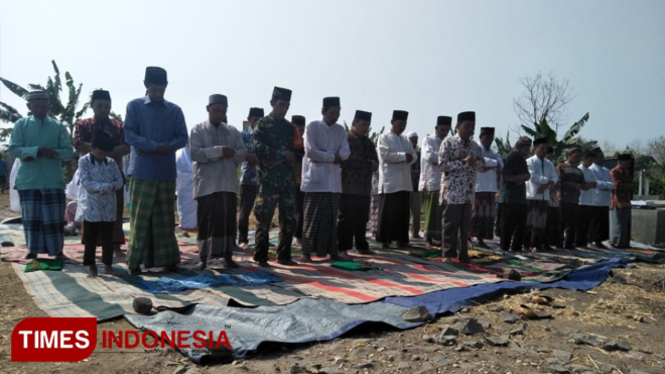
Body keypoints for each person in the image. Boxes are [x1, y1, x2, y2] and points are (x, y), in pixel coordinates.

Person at [124, 66, 188, 274]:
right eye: (155, 90)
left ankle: (168, 260)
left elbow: (182, 137)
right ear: (146, 86)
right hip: (142, 171)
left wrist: (167, 147)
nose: (158, 94)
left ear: (166, 87)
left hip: (166, 171)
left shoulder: (175, 110)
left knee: (165, 219)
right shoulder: (134, 107)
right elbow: (129, 135)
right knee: (141, 220)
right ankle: (135, 263)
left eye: (161, 90)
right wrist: (153, 146)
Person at [8, 90, 74, 259]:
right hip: (29, 179)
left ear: (49, 107)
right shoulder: (21, 125)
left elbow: (68, 151)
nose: (40, 109)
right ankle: (32, 250)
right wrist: (35, 151)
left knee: (54, 219)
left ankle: (57, 251)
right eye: (36, 106)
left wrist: (54, 153)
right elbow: (13, 149)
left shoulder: (58, 126)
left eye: (43, 106)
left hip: (53, 179)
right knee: (31, 219)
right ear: (29, 107)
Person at [190, 94, 247, 270]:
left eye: (223, 111)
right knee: (206, 220)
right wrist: (219, 151)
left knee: (228, 220)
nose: (219, 114)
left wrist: (229, 155)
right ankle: (203, 258)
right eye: (216, 110)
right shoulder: (198, 130)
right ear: (208, 109)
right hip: (207, 184)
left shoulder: (232, 131)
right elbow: (195, 154)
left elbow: (242, 153)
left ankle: (228, 257)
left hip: (228, 183)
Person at [74, 89, 130, 255]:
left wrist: (103, 152)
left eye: (107, 106)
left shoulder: (119, 126)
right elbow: (79, 144)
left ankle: (115, 245)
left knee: (115, 210)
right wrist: (102, 150)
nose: (103, 109)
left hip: (114, 172)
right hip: (89, 174)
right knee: (90, 209)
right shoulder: (82, 124)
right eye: (100, 106)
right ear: (92, 106)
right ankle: (90, 245)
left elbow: (126, 146)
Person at [252, 87, 304, 267]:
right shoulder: (262, 125)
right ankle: (261, 257)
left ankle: (284, 255)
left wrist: (285, 158)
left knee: (289, 219)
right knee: (264, 218)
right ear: (272, 103)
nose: (284, 109)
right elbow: (259, 149)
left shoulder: (291, 129)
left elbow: (299, 152)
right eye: (281, 105)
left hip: (287, 181)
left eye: (287, 106)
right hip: (268, 181)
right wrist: (283, 155)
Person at [301, 97, 350, 262]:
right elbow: (310, 151)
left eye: (337, 113)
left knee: (331, 218)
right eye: (332, 113)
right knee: (312, 218)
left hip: (333, 182)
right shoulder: (312, 127)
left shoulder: (340, 130)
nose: (335, 116)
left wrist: (331, 157)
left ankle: (331, 251)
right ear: (323, 112)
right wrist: (331, 157)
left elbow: (346, 152)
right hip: (316, 182)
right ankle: (306, 253)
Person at [75, 130, 124, 277]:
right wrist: (104, 187)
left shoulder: (112, 163)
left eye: (105, 152)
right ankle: (91, 266)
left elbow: (119, 181)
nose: (102, 154)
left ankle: (108, 264)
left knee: (108, 237)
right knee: (91, 238)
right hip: (91, 205)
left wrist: (110, 187)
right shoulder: (84, 161)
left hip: (108, 206)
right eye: (100, 151)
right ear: (92, 148)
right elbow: (86, 182)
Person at [439, 111, 485, 262]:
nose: (470, 129)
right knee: (451, 224)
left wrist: (474, 163)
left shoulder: (475, 146)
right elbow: (443, 165)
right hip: (453, 191)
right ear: (458, 126)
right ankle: (448, 254)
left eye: (473, 126)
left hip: (468, 191)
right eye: (467, 126)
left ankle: (463, 254)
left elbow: (482, 165)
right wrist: (464, 162)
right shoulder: (448, 143)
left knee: (465, 226)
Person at [338, 110, 378, 256]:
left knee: (362, 218)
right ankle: (342, 248)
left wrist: (374, 165)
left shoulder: (368, 142)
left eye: (368, 125)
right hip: (347, 186)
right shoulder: (346, 139)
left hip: (364, 187)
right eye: (363, 125)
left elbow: (375, 161)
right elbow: (348, 159)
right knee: (346, 218)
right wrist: (369, 164)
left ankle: (362, 246)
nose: (366, 128)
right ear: (354, 123)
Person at [376, 110, 418, 249]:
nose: (402, 126)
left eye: (404, 124)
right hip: (391, 183)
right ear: (392, 122)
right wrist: (402, 156)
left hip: (405, 182)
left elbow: (414, 156)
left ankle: (401, 240)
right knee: (388, 213)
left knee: (402, 213)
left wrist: (409, 158)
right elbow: (385, 156)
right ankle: (384, 240)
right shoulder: (384, 137)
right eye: (400, 123)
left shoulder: (406, 139)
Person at [419, 116, 452, 247]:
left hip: (445, 183)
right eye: (443, 129)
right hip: (432, 181)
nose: (445, 133)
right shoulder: (428, 140)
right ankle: (428, 239)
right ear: (436, 128)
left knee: (442, 213)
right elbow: (430, 156)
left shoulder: (448, 142)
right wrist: (447, 158)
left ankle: (440, 238)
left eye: (447, 130)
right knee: (431, 212)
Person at [469, 127, 503, 248]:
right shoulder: (475, 148)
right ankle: (468, 238)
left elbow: (501, 164)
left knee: (487, 215)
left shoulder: (493, 151)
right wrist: (492, 165)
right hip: (478, 186)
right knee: (475, 214)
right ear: (481, 137)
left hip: (490, 187)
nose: (489, 140)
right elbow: (477, 161)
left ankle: (481, 239)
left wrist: (489, 165)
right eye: (487, 138)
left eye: (491, 138)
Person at [499, 137, 532, 252]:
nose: (527, 151)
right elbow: (507, 177)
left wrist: (522, 178)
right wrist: (520, 178)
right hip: (509, 197)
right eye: (525, 149)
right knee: (508, 225)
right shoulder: (509, 158)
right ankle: (504, 248)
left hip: (521, 197)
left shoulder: (522, 160)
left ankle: (516, 248)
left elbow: (528, 175)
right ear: (518, 147)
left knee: (521, 225)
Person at [237, 107, 264, 249]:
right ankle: (242, 239)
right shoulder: (242, 136)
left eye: (260, 120)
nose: (257, 123)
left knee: (263, 212)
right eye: (255, 120)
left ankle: (261, 239)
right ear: (249, 120)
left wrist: (256, 158)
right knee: (244, 212)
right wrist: (257, 158)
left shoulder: (266, 136)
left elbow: (269, 157)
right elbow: (243, 155)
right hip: (247, 179)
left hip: (263, 179)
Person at [524, 138, 557, 251]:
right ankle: (527, 245)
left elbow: (555, 178)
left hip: (544, 196)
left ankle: (537, 245)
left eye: (545, 149)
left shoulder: (549, 164)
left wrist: (546, 185)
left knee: (541, 223)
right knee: (530, 221)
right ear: (534, 149)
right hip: (532, 195)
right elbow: (532, 176)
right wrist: (547, 182)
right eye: (541, 148)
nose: (544, 151)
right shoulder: (530, 162)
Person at [556, 146, 589, 250]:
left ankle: (569, 245)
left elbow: (582, 184)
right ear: (569, 155)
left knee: (572, 224)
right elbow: (559, 182)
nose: (577, 158)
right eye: (575, 156)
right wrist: (574, 186)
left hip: (575, 200)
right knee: (561, 223)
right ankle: (559, 244)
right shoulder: (561, 167)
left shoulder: (579, 171)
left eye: (579, 157)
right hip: (564, 199)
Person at [589, 148, 614, 248]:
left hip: (605, 200)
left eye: (603, 157)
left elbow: (612, 185)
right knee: (595, 222)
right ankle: (591, 241)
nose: (602, 159)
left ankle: (599, 241)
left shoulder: (605, 170)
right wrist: (606, 185)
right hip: (595, 200)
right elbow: (596, 183)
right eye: (600, 157)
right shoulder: (591, 169)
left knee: (603, 223)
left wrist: (605, 185)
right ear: (595, 158)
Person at [609, 153, 634, 248]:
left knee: (626, 224)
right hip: (617, 201)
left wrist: (626, 186)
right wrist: (626, 186)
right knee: (618, 224)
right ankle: (616, 243)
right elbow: (616, 185)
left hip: (626, 201)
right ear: (620, 162)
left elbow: (631, 185)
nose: (628, 165)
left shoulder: (627, 173)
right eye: (626, 163)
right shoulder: (613, 172)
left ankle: (625, 243)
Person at [576, 150, 598, 248]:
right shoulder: (578, 170)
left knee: (587, 225)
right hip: (581, 201)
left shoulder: (590, 171)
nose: (590, 163)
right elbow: (583, 185)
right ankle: (577, 242)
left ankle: (584, 242)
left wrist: (590, 184)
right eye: (589, 161)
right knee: (580, 224)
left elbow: (595, 183)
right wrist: (589, 185)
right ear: (584, 159)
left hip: (590, 201)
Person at [291, 115, 307, 245]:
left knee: (301, 211)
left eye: (302, 129)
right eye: (297, 129)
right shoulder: (287, 142)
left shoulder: (305, 142)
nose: (300, 131)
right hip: (288, 181)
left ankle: (299, 236)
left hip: (303, 181)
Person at [175, 143, 197, 231]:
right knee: (185, 208)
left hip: (197, 186)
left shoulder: (195, 152)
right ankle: (185, 225)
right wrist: (193, 176)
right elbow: (179, 173)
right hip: (185, 187)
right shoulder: (180, 154)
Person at [545, 147, 562, 248]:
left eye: (551, 157)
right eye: (548, 157)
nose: (550, 159)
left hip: (553, 200)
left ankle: (551, 243)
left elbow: (557, 181)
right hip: (543, 199)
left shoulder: (552, 167)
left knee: (553, 222)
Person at [407, 132, 422, 239]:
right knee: (405, 212)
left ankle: (415, 232)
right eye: (412, 140)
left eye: (416, 140)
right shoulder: (405, 154)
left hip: (417, 186)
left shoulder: (419, 154)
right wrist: (411, 173)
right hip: (406, 186)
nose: (414, 142)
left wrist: (418, 172)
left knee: (416, 212)